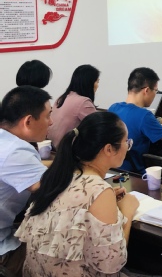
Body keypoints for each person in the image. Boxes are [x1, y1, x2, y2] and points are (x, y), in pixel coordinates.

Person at [16, 112, 139, 277]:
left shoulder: (57, 176)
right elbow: (111, 265)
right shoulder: (99, 190)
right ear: (109, 149)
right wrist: (127, 213)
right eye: (126, 142)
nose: (128, 147)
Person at [0, 86, 51, 276]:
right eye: (48, 116)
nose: (51, 122)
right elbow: (53, 189)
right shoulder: (16, 150)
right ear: (28, 121)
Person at [108, 67, 162, 174]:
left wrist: (161, 120)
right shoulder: (144, 116)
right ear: (146, 90)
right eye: (155, 91)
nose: (155, 94)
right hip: (135, 174)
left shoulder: (113, 108)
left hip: (112, 169)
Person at [48, 64, 100, 149]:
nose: (98, 85)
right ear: (89, 83)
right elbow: (99, 127)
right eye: (97, 81)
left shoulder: (62, 98)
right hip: (66, 150)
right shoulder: (84, 102)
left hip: (51, 147)